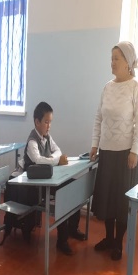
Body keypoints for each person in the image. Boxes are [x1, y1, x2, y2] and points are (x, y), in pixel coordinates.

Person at [90, 41, 138, 261]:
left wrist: (135, 151)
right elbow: (98, 118)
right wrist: (94, 144)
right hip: (106, 151)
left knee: (121, 201)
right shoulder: (107, 87)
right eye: (111, 58)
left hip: (125, 155)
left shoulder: (136, 88)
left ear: (127, 63)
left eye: (116, 58)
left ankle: (118, 243)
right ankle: (109, 238)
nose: (112, 62)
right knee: (107, 198)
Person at [21, 101, 85, 255]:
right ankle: (62, 240)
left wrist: (53, 159)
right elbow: (38, 160)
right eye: (46, 122)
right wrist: (55, 160)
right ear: (37, 122)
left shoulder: (47, 137)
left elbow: (58, 151)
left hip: (49, 179)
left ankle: (73, 228)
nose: (49, 126)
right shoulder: (32, 141)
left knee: (74, 186)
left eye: (50, 122)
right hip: (36, 186)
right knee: (63, 194)